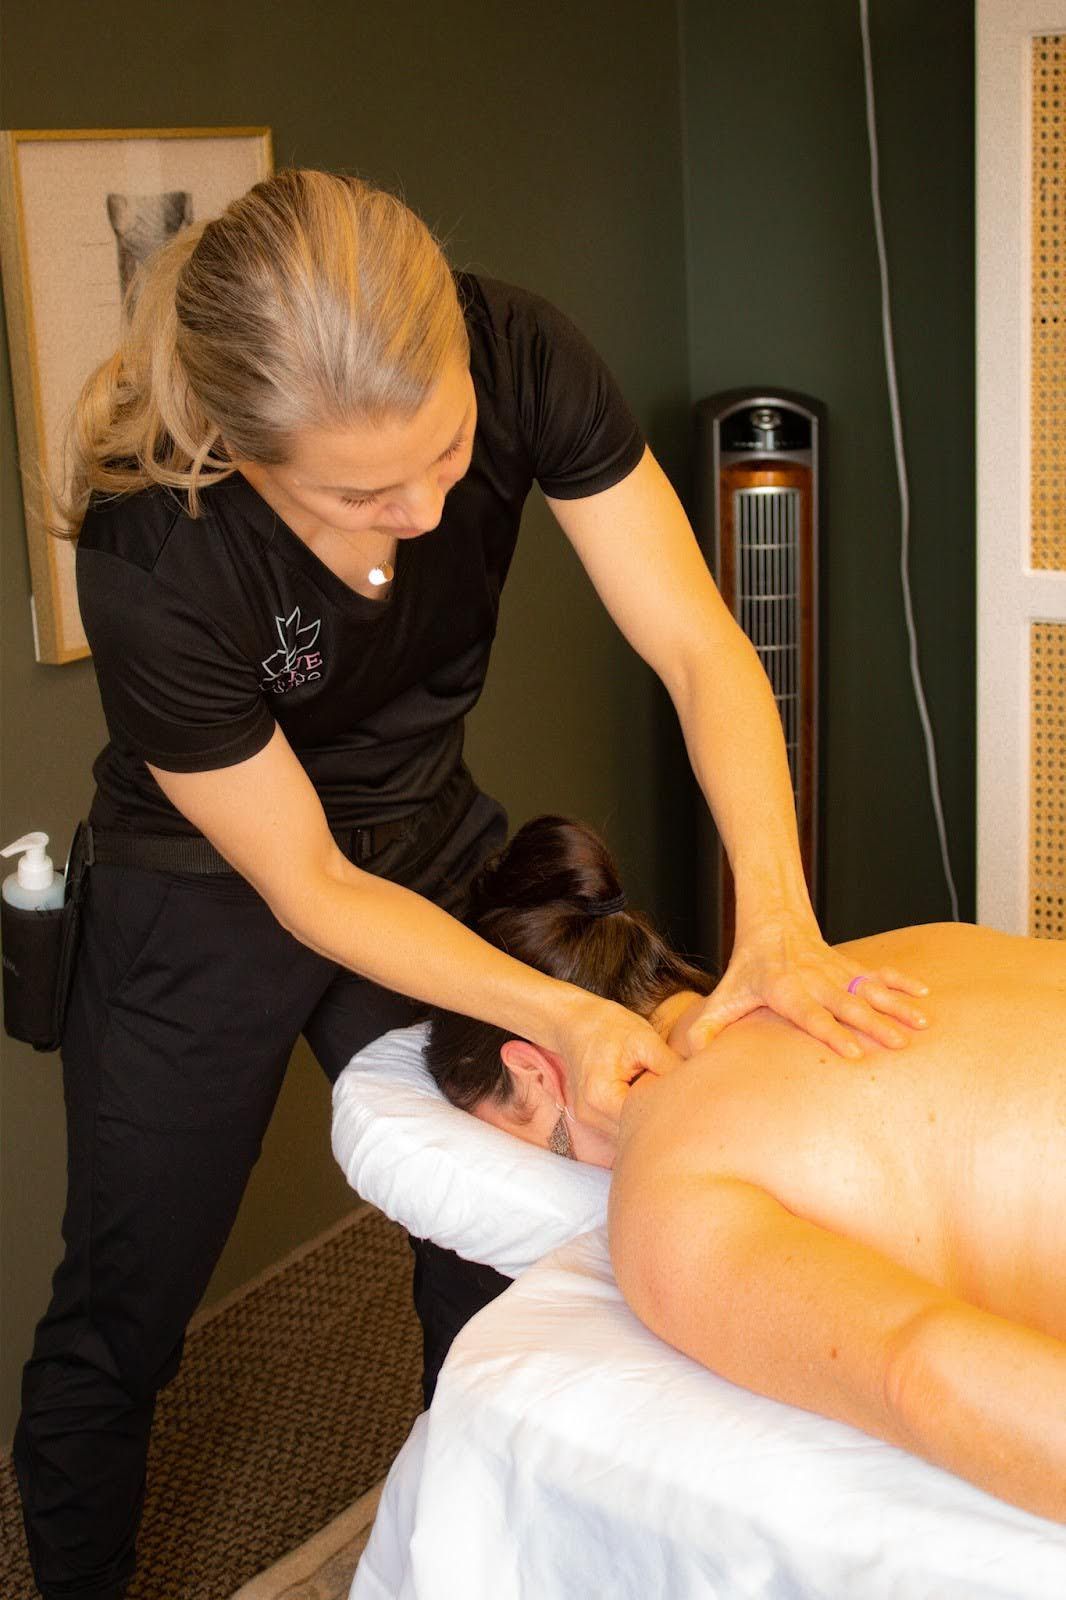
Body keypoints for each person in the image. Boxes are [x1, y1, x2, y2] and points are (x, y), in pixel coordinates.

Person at [15, 168, 928, 1599]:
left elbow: (697, 645)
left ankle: (481, 1541)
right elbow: (306, 881)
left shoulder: (520, 354)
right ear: (243, 454)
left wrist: (779, 921)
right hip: (201, 889)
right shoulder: (152, 547)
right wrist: (558, 1017)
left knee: (498, 1232)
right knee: (125, 1301)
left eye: (445, 455)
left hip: (426, 833)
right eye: (363, 494)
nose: (431, 507)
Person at [426, 816, 1066, 1524]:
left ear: (535, 1073)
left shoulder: (668, 1183)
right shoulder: (905, 948)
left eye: (544, 1146)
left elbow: (926, 1376)